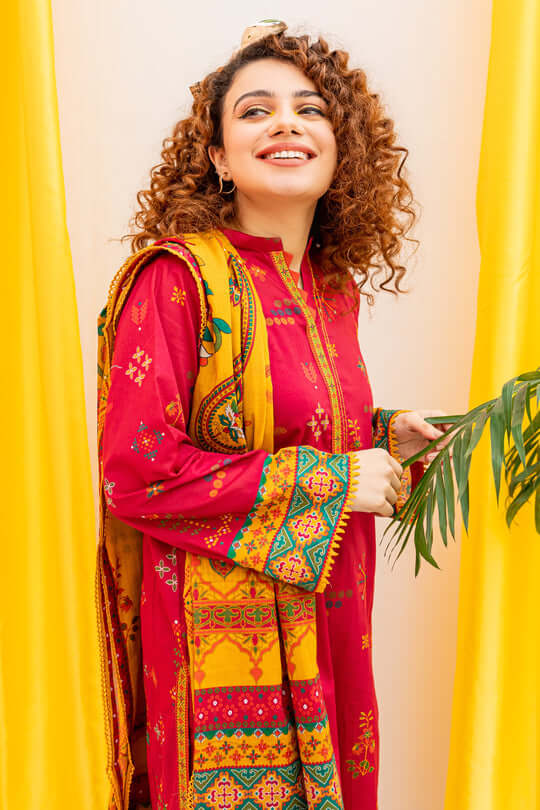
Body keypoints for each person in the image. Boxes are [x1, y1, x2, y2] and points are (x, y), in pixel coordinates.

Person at [96, 20, 451, 810]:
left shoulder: (331, 290)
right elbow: (137, 475)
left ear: (340, 149)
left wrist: (382, 433)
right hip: (221, 653)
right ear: (219, 157)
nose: (286, 123)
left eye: (310, 110)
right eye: (255, 111)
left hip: (335, 622)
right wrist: (334, 482)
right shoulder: (176, 280)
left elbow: (280, 425)